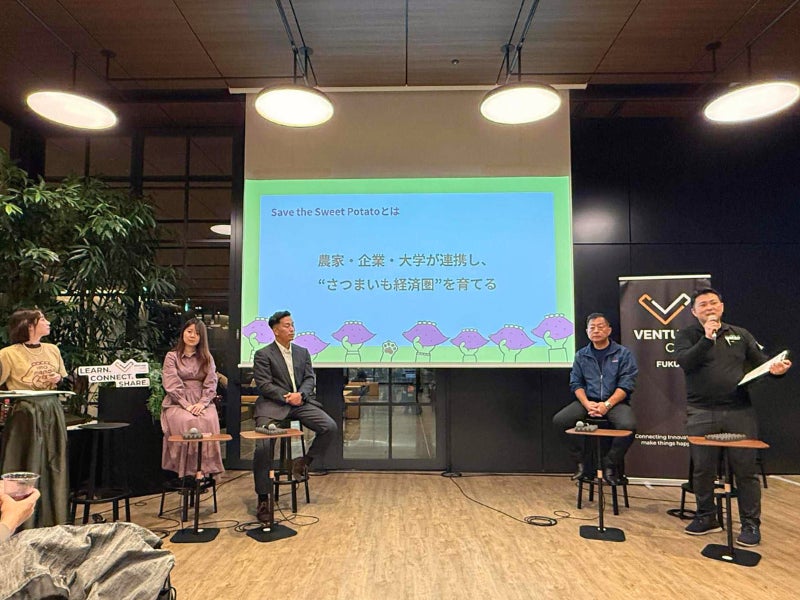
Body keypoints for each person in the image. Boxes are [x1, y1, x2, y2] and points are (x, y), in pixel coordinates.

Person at [675, 287, 791, 547]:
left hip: (739, 411)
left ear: (722, 306)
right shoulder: (687, 335)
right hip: (701, 411)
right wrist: (707, 338)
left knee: (745, 470)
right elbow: (685, 362)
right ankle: (707, 516)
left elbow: (761, 363)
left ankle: (750, 523)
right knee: (703, 469)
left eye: (713, 303)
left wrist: (776, 370)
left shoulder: (741, 334)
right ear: (694, 312)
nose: (709, 308)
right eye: (703, 305)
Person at [252, 310, 337, 524]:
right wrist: (286, 396)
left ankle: (303, 462)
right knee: (262, 447)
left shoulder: (302, 352)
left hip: (300, 403)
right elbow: (264, 384)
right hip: (273, 405)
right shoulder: (263, 354)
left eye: (292, 325)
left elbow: (309, 379)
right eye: (287, 325)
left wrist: (301, 395)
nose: (292, 329)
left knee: (329, 426)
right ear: (275, 330)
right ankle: (263, 499)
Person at [0, 309, 69, 528]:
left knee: (54, 462)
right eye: (42, 320)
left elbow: (64, 379)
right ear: (29, 325)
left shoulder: (52, 349)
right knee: (26, 460)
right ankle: (19, 522)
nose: (48, 323)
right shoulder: (8, 354)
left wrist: (57, 378)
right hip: (26, 413)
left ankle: (55, 519)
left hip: (51, 410)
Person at [552, 312, 638, 485]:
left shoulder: (623, 354)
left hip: (614, 402)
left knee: (629, 426)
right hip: (588, 401)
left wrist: (607, 404)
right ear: (587, 332)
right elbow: (576, 383)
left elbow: (627, 384)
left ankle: (610, 464)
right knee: (560, 421)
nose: (596, 331)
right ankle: (581, 463)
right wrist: (586, 403)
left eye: (600, 327)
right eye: (592, 328)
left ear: (609, 330)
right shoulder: (581, 355)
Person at [160, 318, 224, 481]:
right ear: (183, 333)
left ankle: (205, 470)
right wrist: (187, 405)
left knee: (209, 419)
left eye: (197, 333)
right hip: (177, 401)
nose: (192, 336)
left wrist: (202, 403)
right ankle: (186, 471)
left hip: (202, 400)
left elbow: (211, 382)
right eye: (189, 332)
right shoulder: (172, 356)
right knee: (188, 420)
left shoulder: (207, 357)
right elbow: (171, 383)